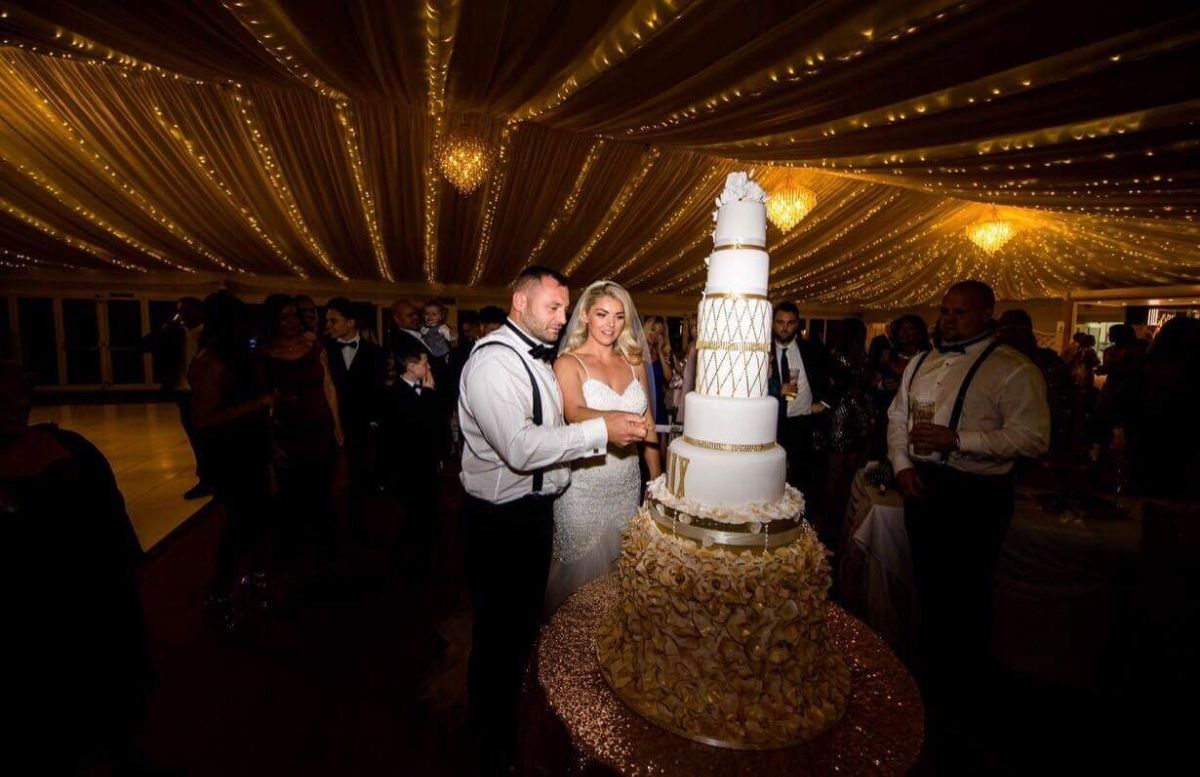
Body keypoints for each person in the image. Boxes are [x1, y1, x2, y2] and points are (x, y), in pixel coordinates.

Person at [458, 266, 647, 773]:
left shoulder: (535, 359)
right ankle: (494, 743)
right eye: (555, 307)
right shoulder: (495, 363)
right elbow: (519, 448)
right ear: (519, 303)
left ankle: (531, 715)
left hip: (535, 512)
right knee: (500, 636)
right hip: (501, 521)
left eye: (566, 308)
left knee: (525, 626)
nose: (563, 317)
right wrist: (600, 431)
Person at [887, 280, 1049, 759]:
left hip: (977, 494)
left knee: (967, 595)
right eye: (944, 311)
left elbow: (1033, 438)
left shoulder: (1012, 370)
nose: (948, 320)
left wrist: (961, 440)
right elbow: (897, 419)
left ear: (986, 316)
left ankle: (960, 708)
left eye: (959, 312)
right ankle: (923, 684)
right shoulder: (920, 362)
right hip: (923, 487)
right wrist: (902, 466)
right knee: (928, 587)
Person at [1, 360, 153, 773]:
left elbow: (114, 525)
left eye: (19, 387)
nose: (17, 399)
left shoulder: (73, 449)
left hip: (92, 606)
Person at [546, 280, 660, 614]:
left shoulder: (633, 360)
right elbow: (574, 412)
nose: (611, 323)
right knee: (579, 583)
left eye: (619, 316)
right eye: (602, 314)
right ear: (584, 315)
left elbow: (648, 421)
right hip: (584, 486)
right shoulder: (568, 363)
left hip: (627, 483)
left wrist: (656, 478)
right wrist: (615, 419)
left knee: (621, 577)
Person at [189, 292, 275, 625]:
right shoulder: (210, 360)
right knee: (237, 523)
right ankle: (223, 592)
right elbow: (203, 419)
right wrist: (259, 403)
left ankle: (254, 583)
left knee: (256, 519)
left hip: (252, 446)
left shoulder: (237, 355)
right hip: (230, 452)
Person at [259, 294, 343, 580]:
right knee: (291, 493)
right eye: (284, 317)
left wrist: (337, 424)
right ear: (273, 320)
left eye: (295, 315)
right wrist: (270, 440)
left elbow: (329, 385)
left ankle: (326, 551)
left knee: (322, 488)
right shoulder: (265, 352)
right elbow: (262, 399)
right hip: (287, 429)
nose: (292, 322)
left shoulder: (315, 346)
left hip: (318, 425)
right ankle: (292, 555)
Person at [325, 297, 386, 546]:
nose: (329, 325)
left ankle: (360, 528)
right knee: (332, 477)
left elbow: (378, 390)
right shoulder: (323, 351)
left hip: (363, 424)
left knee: (361, 475)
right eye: (327, 320)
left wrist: (374, 421)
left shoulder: (375, 352)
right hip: (331, 422)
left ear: (351, 323)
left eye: (334, 320)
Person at [144, 296, 211, 499]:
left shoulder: (209, 334)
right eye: (180, 311)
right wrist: (165, 328)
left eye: (186, 311)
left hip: (206, 392)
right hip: (184, 392)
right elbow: (145, 345)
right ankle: (205, 479)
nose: (182, 315)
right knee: (196, 438)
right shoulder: (174, 334)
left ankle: (213, 478)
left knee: (208, 438)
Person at [392, 339, 447, 582]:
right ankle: (413, 567)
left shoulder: (429, 388)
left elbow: (438, 424)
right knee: (414, 516)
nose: (429, 367)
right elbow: (416, 426)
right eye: (425, 363)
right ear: (412, 366)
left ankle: (430, 560)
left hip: (429, 464)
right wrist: (427, 395)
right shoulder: (395, 394)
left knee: (430, 513)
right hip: (409, 467)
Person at [820, 318, 873, 553]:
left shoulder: (847, 356)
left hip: (846, 414)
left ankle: (834, 515)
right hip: (848, 414)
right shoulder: (851, 357)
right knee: (842, 467)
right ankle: (832, 516)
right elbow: (847, 389)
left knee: (840, 467)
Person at [771, 302, 832, 504]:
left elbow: (841, 377)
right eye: (780, 322)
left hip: (802, 424)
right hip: (772, 424)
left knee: (801, 482)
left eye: (790, 323)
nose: (785, 327)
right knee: (772, 481)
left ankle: (800, 525)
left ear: (797, 324)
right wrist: (776, 389)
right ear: (772, 323)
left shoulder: (812, 350)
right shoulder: (762, 350)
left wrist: (825, 402)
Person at [642, 315, 674, 422]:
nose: (655, 334)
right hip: (641, 404)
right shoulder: (636, 352)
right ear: (647, 329)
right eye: (653, 329)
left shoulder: (663, 354)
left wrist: (660, 352)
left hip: (658, 404)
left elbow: (668, 378)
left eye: (659, 332)